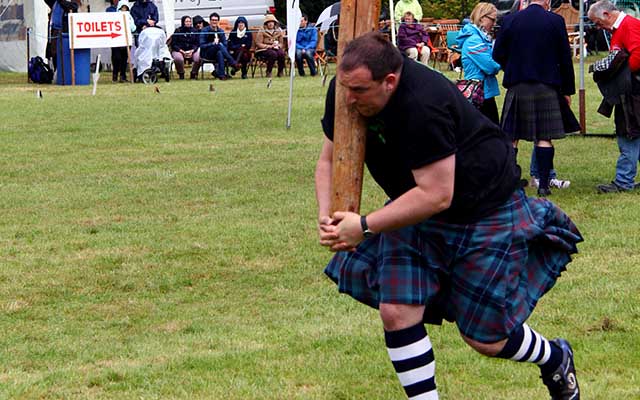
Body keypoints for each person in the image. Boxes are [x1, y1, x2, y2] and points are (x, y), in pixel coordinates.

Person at [316, 32, 582, 400]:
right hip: (413, 208)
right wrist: (328, 216)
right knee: (396, 311)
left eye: (359, 90)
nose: (348, 99)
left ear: (389, 81)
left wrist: (363, 226)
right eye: (345, 87)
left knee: (486, 336)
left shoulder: (424, 102)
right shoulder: (347, 90)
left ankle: (554, 357)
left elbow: (437, 195)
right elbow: (329, 159)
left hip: (482, 209)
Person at [493, 0, 580, 197]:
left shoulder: (510, 20)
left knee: (511, 138)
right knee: (544, 137)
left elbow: (497, 53)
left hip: (518, 85)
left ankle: (511, 184)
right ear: (547, 1)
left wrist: (514, 66)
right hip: (547, 86)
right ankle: (543, 186)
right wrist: (567, 90)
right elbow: (565, 58)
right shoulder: (555, 20)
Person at [588, 0, 640, 193]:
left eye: (598, 22)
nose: (597, 27)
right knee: (635, 133)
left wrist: (621, 75)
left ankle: (623, 181)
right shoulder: (622, 27)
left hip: (632, 90)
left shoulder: (629, 25)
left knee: (628, 133)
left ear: (607, 15)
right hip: (631, 88)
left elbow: (638, 55)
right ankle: (625, 179)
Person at [456, 2, 501, 124]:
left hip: (483, 92)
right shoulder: (474, 41)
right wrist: (498, 65)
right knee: (491, 134)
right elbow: (490, 67)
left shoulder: (479, 38)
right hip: (480, 94)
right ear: (482, 19)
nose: (494, 23)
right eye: (492, 19)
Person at [199, 12, 237, 80]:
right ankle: (233, 63)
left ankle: (221, 75)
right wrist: (212, 44)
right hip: (206, 53)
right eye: (213, 20)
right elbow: (202, 45)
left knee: (220, 52)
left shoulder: (220, 31)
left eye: (216, 20)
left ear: (218, 21)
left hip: (218, 52)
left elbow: (225, 44)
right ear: (210, 21)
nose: (214, 22)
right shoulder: (204, 31)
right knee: (218, 45)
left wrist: (220, 46)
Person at [107, 0, 135, 83]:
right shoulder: (114, 16)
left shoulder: (130, 16)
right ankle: (115, 76)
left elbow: (133, 28)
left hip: (127, 41)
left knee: (124, 59)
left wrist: (128, 22)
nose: (123, 9)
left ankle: (123, 76)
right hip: (116, 41)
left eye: (125, 8)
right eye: (122, 7)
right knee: (116, 58)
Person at [171, 16, 202, 80]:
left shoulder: (195, 31)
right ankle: (181, 73)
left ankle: (193, 73)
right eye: (186, 21)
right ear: (183, 22)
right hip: (179, 50)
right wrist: (181, 51)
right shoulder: (178, 31)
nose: (188, 23)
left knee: (198, 58)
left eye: (189, 21)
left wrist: (192, 50)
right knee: (178, 58)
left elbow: (197, 43)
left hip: (192, 50)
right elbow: (173, 44)